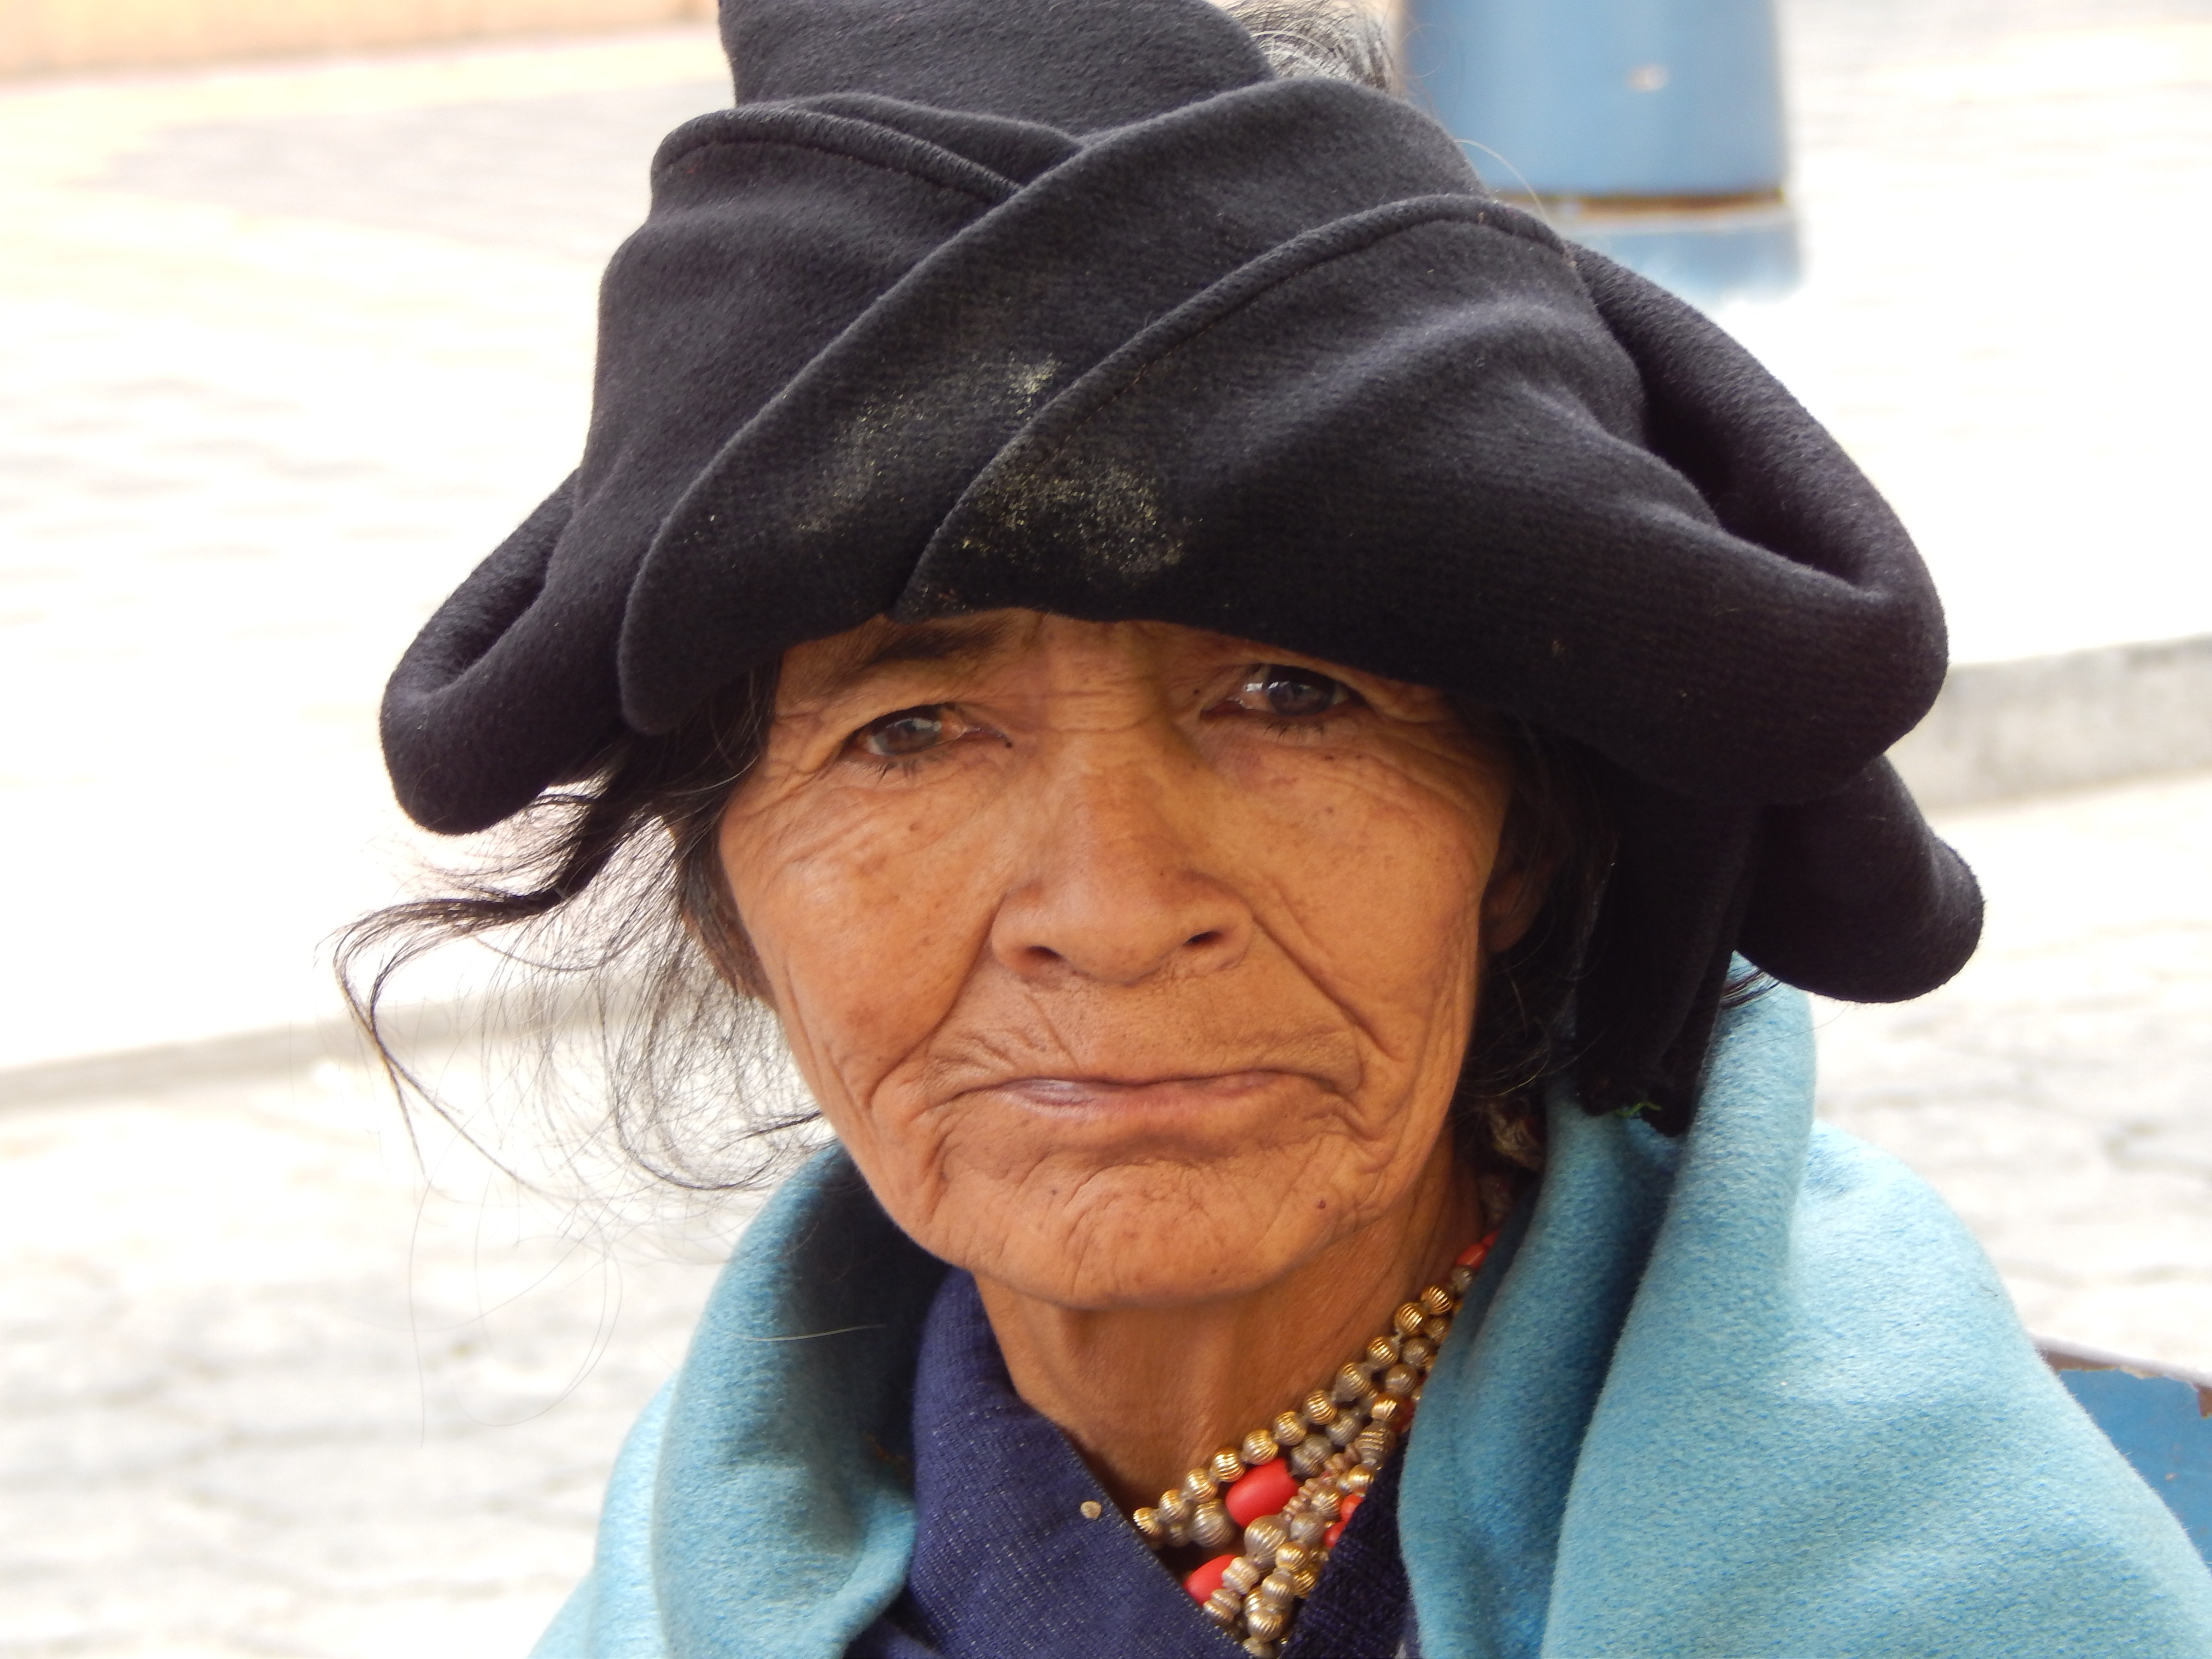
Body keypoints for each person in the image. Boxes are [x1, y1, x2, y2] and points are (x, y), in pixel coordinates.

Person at [350, 0, 2212, 1653]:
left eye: (1294, 697)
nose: (1115, 908)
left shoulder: (1936, 1572)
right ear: (726, 907)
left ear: (1524, 837)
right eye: (912, 732)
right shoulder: (694, 1590)